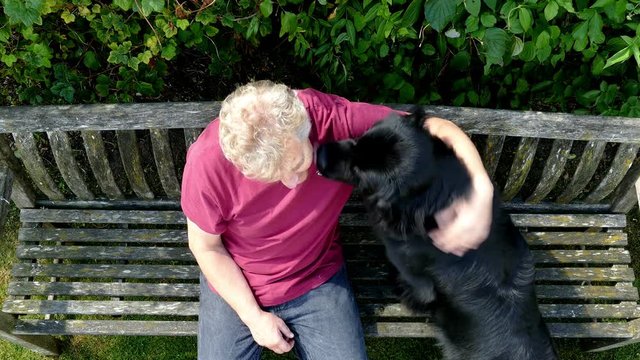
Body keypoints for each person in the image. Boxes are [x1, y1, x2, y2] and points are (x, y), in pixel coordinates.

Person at [180, 80, 494, 359]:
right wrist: (252, 317)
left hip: (315, 276)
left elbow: (438, 131)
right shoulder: (208, 162)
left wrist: (480, 191)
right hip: (237, 283)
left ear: (304, 125)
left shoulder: (330, 118)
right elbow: (206, 247)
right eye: (274, 177)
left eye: (300, 163)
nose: (293, 183)